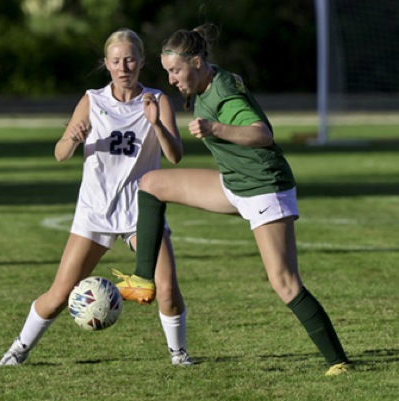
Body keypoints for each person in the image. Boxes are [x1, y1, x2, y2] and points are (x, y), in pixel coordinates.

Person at [114, 25, 352, 376]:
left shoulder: (224, 92)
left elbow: (262, 134)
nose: (171, 79)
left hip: (264, 188)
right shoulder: (206, 81)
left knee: (284, 282)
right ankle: (142, 279)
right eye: (167, 72)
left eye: (175, 71)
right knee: (151, 184)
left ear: (197, 62)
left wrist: (215, 129)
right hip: (235, 183)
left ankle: (338, 362)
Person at [0, 28, 193, 367]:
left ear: (142, 61)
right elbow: (60, 154)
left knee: (165, 288)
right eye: (116, 61)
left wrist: (156, 125)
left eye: (129, 60)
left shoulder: (157, 100)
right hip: (95, 209)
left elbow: (175, 156)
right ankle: (18, 349)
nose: (123, 67)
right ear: (106, 63)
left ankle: (179, 354)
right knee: (60, 294)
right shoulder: (92, 100)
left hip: (141, 210)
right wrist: (72, 139)